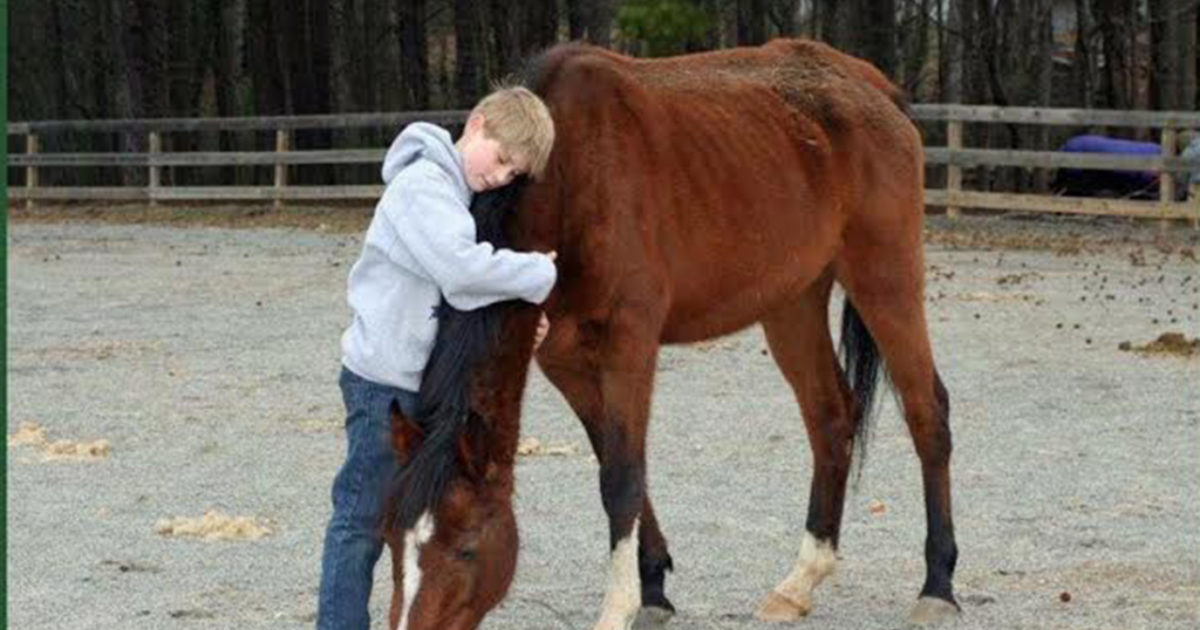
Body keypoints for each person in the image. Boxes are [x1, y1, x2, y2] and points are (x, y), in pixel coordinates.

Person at [317, 85, 557, 630]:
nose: (499, 178)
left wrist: (518, 329)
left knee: (423, 520)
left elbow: (463, 307)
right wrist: (542, 273)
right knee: (360, 519)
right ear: (475, 124)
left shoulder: (459, 196)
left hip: (418, 384)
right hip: (381, 383)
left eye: (512, 174)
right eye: (500, 159)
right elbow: (462, 275)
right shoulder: (422, 187)